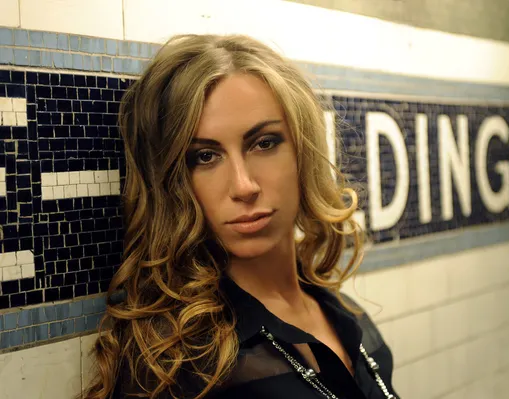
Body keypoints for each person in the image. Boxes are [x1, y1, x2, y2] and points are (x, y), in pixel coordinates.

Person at [82, 34, 399, 399]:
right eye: (204, 156)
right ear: (174, 181)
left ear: (303, 151)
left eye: (264, 143)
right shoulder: (180, 361)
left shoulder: (348, 315)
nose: (244, 186)